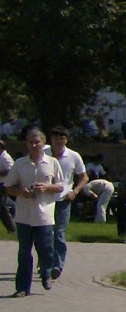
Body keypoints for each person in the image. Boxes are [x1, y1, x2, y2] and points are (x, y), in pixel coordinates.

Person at [5, 126, 65, 295]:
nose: (34, 145)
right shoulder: (20, 164)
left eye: (37, 142)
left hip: (44, 215)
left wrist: (47, 187)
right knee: (24, 252)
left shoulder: (52, 163)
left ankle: (46, 273)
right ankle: (22, 287)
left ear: (43, 143)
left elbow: (61, 186)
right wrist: (21, 192)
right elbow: (8, 187)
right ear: (27, 144)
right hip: (24, 214)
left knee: (45, 248)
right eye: (31, 142)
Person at [46, 126, 87, 279]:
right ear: (51, 139)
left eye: (61, 138)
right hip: (45, 200)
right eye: (55, 138)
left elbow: (83, 177)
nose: (58, 141)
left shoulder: (73, 156)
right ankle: (45, 262)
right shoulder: (43, 153)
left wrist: (75, 191)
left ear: (66, 140)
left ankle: (57, 265)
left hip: (63, 200)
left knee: (59, 233)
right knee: (45, 233)